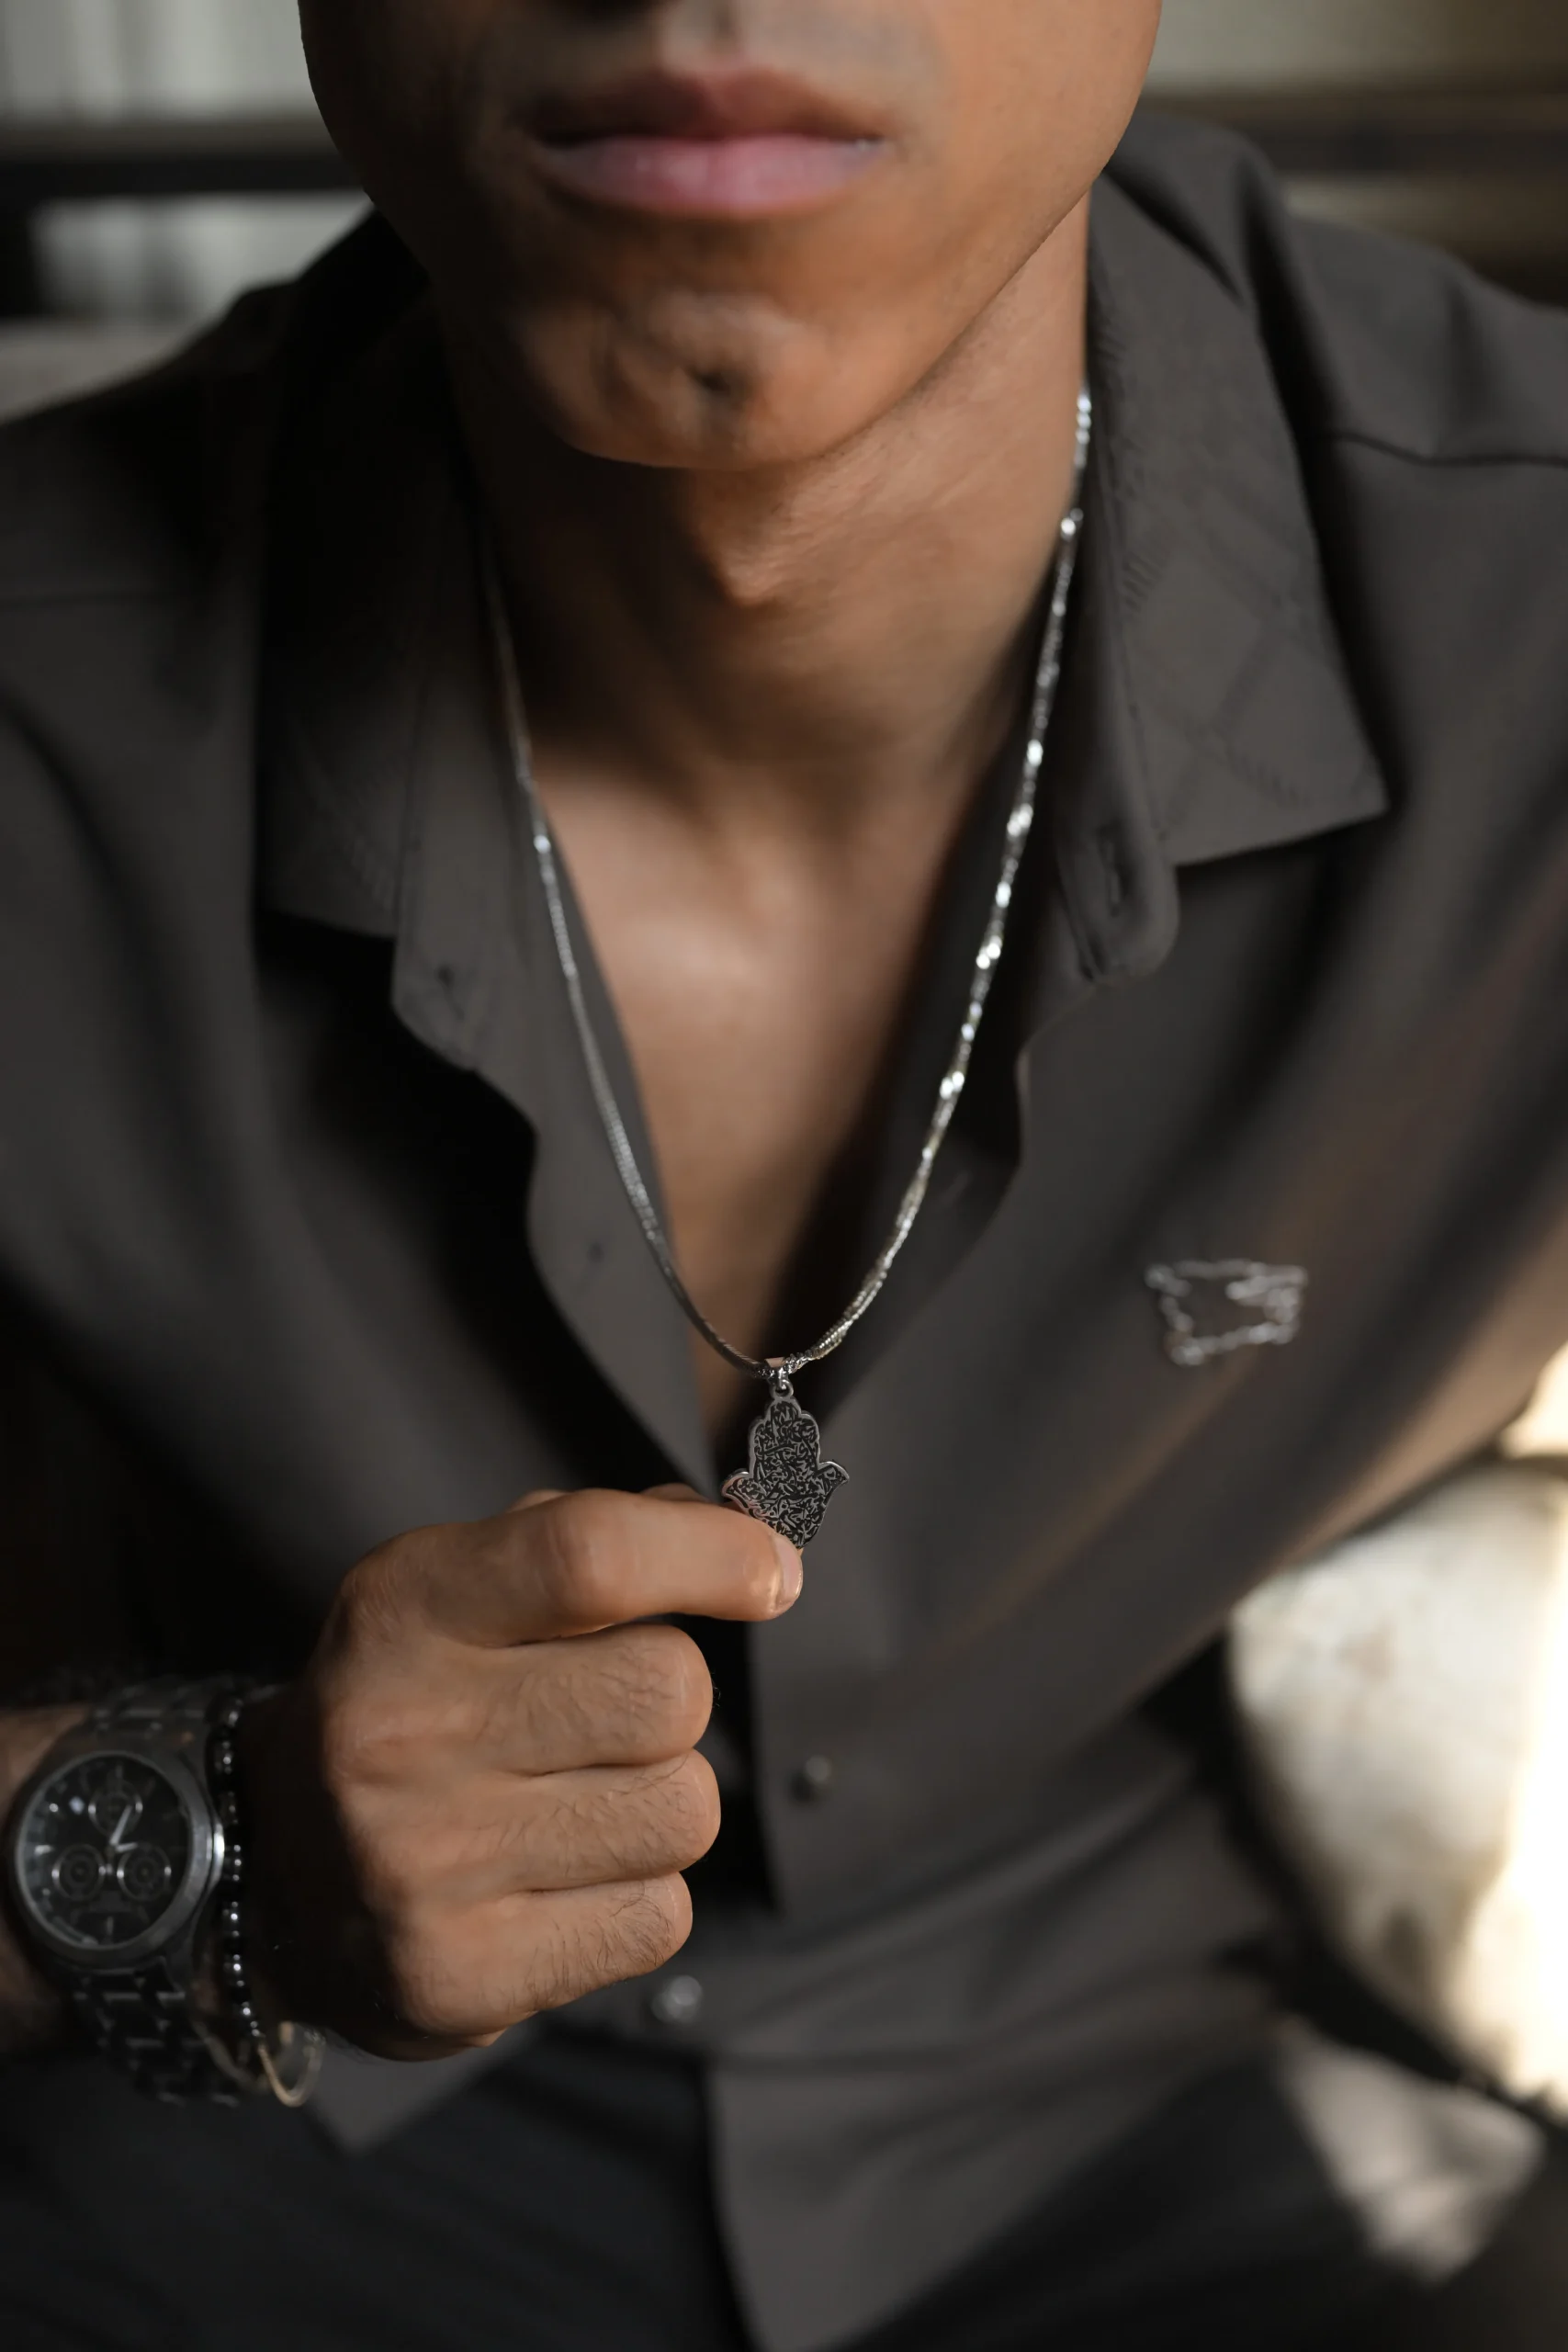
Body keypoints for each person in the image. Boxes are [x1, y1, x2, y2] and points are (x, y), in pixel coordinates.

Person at [2, 3, 1568, 2346]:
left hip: (1172, 2076)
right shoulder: (43, 702)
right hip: (263, 2117)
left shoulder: (1523, 609)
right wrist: (194, 1834)